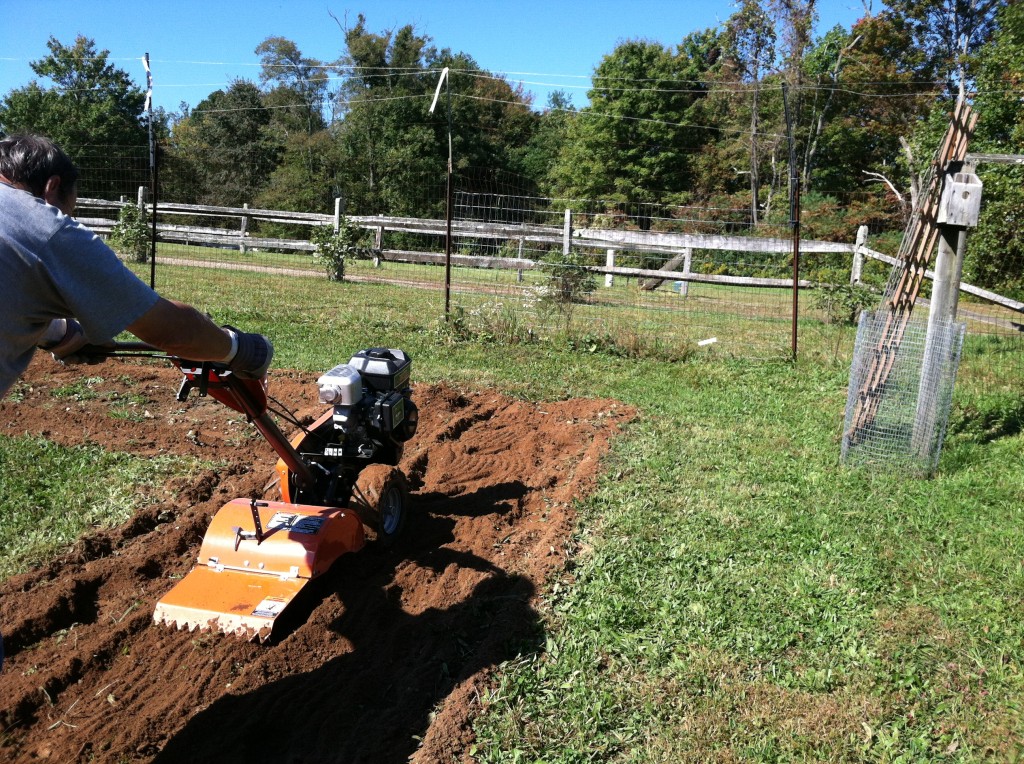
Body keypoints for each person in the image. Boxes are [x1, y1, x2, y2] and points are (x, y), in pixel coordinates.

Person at [0, 133, 275, 670]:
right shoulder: (44, 225)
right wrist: (240, 349)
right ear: (54, 187)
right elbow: (169, 327)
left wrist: (59, 335)